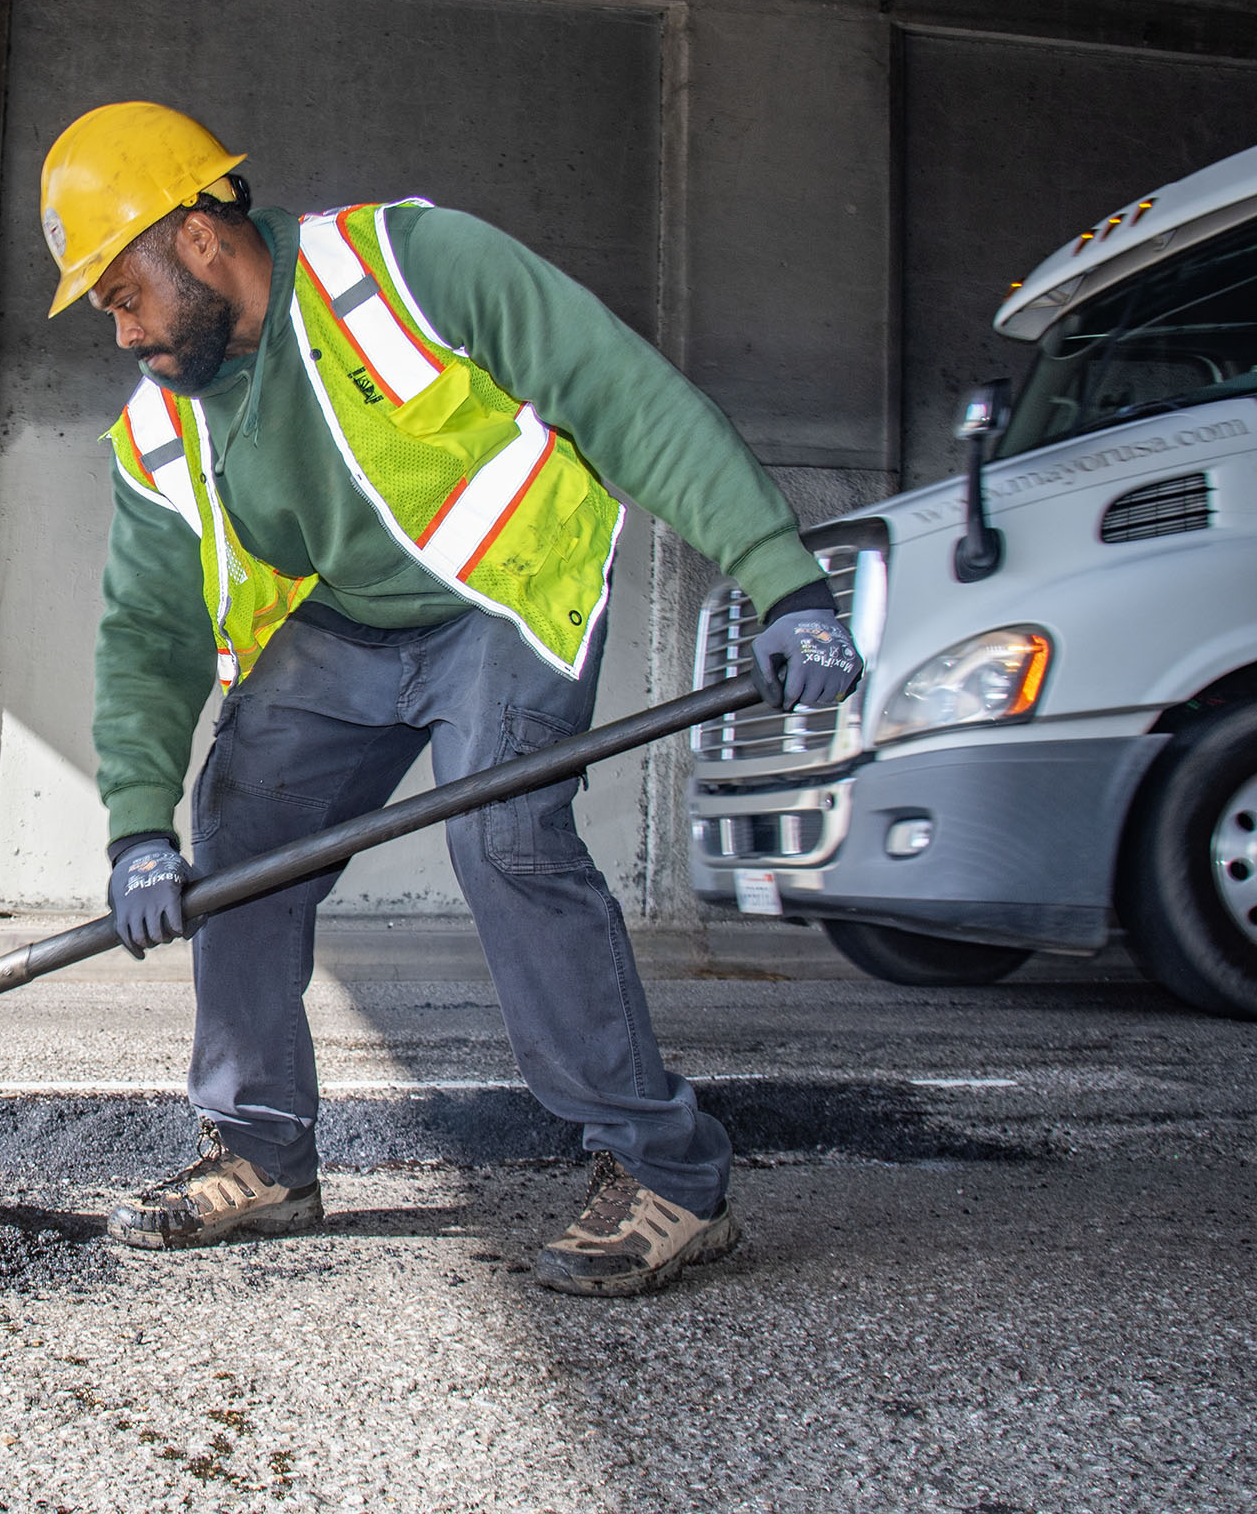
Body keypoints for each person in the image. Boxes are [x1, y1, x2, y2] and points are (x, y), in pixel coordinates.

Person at [43, 102, 862, 1297]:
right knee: (241, 845)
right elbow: (149, 633)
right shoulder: (163, 429)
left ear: (198, 238)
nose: (121, 330)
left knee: (506, 837)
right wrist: (134, 833)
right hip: (348, 632)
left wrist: (783, 582)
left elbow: (625, 398)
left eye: (124, 291)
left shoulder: (415, 267)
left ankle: (667, 1174)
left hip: (502, 601)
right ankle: (265, 1156)